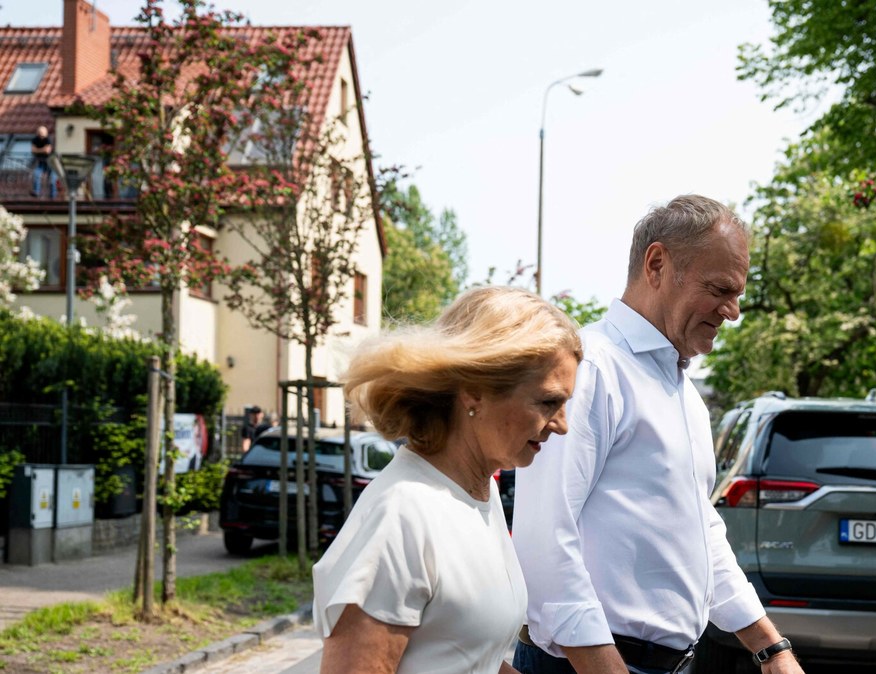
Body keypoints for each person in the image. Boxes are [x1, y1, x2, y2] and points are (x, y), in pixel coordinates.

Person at [513, 195, 804, 674]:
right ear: (657, 264)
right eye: (719, 289)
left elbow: (699, 528)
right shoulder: (589, 368)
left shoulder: (682, 389)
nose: (733, 311)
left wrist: (771, 647)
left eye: (738, 295)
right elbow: (544, 536)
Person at [312, 286, 583, 674]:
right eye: (548, 402)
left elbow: (471, 656)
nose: (562, 425)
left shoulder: (478, 492)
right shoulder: (403, 514)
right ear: (475, 391)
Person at [31, 126, 57, 199]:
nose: (41, 135)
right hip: (41, 162)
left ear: (46, 133)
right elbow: (33, 150)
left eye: (42, 133)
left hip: (51, 163)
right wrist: (42, 149)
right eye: (39, 133)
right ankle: (36, 192)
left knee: (52, 180)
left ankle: (53, 196)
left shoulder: (48, 140)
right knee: (36, 174)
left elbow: (47, 151)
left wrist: (38, 149)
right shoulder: (35, 140)